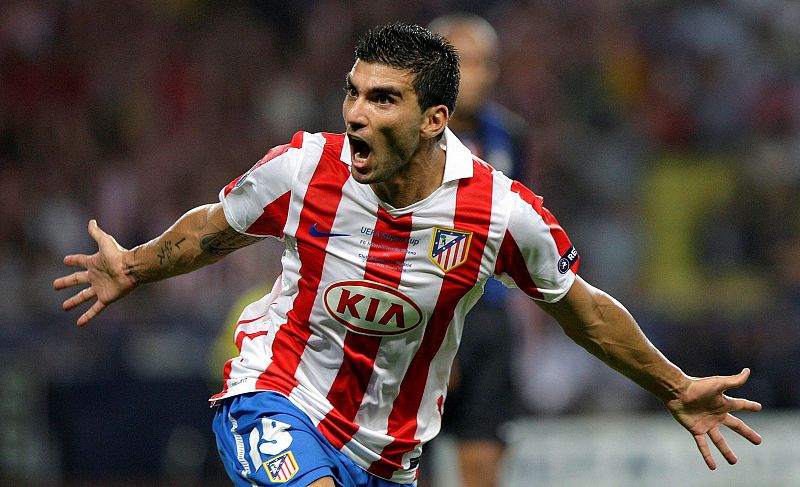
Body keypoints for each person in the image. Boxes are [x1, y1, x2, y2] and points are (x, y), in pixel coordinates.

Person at [54, 22, 762, 487]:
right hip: (277, 398)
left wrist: (673, 384)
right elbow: (215, 227)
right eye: (353, 93)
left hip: (388, 454)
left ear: (434, 120)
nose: (356, 114)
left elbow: (581, 310)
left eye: (382, 99)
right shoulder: (302, 169)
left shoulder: (497, 211)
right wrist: (136, 265)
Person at [425, 13, 528, 487]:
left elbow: (518, 226)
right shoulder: (402, 136)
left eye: (487, 63)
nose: (478, 74)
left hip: (488, 315)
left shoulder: (510, 134)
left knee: (483, 465)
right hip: (420, 310)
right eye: (464, 61)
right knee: (403, 462)